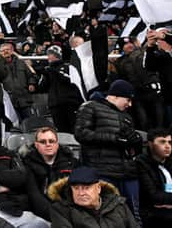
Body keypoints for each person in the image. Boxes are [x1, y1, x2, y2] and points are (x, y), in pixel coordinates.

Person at [74, 79, 142, 223]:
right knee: (109, 216)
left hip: (128, 173)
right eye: (128, 99)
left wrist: (136, 143)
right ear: (116, 95)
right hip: (104, 172)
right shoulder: (90, 107)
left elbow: (132, 149)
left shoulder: (127, 116)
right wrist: (114, 139)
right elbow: (81, 133)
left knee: (133, 216)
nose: (130, 104)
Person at [48, 166, 138, 228]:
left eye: (86, 188)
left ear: (98, 188)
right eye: (76, 188)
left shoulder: (118, 204)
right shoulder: (61, 210)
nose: (81, 193)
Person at [23, 126, 78, 221]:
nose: (48, 144)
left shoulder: (72, 162)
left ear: (57, 144)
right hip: (43, 214)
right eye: (43, 142)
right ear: (36, 145)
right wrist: (58, 217)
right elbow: (35, 197)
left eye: (51, 141)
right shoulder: (27, 164)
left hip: (70, 211)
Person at [32, 45, 84, 133]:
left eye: (51, 54)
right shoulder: (48, 71)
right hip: (55, 105)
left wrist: (51, 71)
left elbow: (69, 80)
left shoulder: (68, 67)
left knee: (75, 129)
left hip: (70, 103)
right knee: (61, 130)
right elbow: (42, 87)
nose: (48, 56)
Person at [135, 128, 172, 225]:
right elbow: (153, 196)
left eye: (169, 142)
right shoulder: (141, 163)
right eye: (162, 142)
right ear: (150, 144)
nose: (167, 146)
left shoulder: (169, 162)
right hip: (153, 214)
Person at [0, 42, 37, 121]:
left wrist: (31, 84)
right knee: (15, 126)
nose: (5, 52)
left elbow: (31, 75)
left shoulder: (22, 62)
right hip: (10, 102)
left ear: (12, 50)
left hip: (25, 99)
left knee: (30, 122)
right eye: (3, 50)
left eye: (8, 49)